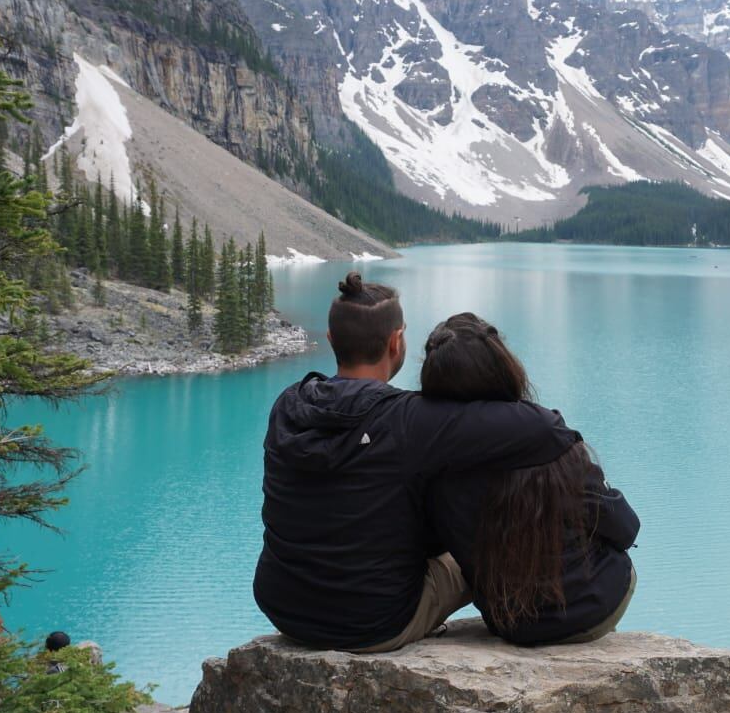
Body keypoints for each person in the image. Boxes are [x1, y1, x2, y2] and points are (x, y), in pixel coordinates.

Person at [253, 274, 581, 653]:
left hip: (283, 608)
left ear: (331, 340)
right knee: (482, 551)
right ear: (396, 342)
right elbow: (544, 427)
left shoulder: (288, 405)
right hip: (374, 623)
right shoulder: (410, 420)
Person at [421, 313, 639, 645]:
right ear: (501, 366)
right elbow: (625, 528)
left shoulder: (431, 459)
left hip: (513, 625)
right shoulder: (551, 439)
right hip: (597, 607)